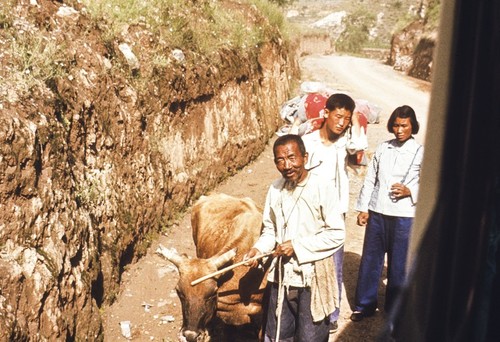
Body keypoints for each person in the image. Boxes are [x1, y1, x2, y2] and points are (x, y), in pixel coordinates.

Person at [244, 134, 345, 342]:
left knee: (310, 337)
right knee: (278, 334)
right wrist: (258, 250)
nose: (287, 165)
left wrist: (297, 247)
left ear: (305, 157)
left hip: (313, 277)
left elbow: (337, 234)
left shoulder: (323, 187)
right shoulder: (275, 189)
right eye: (280, 160)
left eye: (292, 158)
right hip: (281, 276)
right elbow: (270, 230)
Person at [301, 93, 368, 332]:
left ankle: (331, 315)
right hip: (309, 211)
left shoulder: (343, 143)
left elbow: (359, 146)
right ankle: (309, 309)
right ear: (326, 113)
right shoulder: (308, 142)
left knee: (335, 265)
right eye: (338, 116)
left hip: (336, 213)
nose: (341, 122)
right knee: (308, 261)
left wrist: (357, 120)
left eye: (346, 119)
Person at [350, 105, 424, 322]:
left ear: (412, 127)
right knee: (371, 259)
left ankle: (396, 309)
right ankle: (364, 305)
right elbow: (371, 178)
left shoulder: (420, 152)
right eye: (396, 125)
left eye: (404, 125)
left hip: (404, 215)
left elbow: (430, 181)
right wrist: (364, 208)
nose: (399, 130)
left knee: (399, 264)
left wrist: (411, 191)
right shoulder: (383, 148)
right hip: (378, 212)